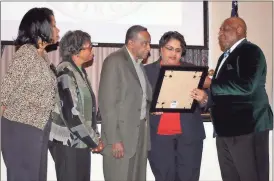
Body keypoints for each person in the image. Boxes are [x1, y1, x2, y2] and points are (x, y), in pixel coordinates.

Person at [206, 17, 273, 181]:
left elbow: (246, 85)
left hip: (247, 127)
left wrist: (211, 83)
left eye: (224, 29)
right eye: (220, 30)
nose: (219, 33)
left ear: (239, 30)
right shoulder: (224, 56)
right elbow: (225, 90)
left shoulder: (250, 51)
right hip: (225, 130)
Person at [0, 7, 59, 181]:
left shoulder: (42, 57)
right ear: (41, 28)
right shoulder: (26, 54)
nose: (57, 30)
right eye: (54, 25)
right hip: (21, 130)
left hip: (37, 129)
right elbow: (3, 93)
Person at [144, 31, 208, 181]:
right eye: (170, 48)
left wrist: (203, 98)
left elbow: (209, 98)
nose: (174, 53)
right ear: (161, 49)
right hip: (159, 140)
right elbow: (136, 103)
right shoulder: (145, 72)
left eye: (178, 50)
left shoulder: (193, 71)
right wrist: (150, 109)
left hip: (189, 139)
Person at [98, 25, 152, 181]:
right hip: (120, 137)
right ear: (131, 43)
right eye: (145, 43)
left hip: (139, 134)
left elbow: (143, 99)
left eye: (149, 43)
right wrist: (114, 139)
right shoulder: (114, 61)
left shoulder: (139, 65)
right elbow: (107, 104)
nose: (148, 48)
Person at [48, 30, 103, 181]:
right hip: (67, 143)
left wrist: (93, 138)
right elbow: (71, 113)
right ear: (76, 51)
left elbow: (87, 112)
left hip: (80, 142)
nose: (92, 50)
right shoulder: (65, 71)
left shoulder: (79, 71)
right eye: (89, 47)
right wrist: (93, 140)